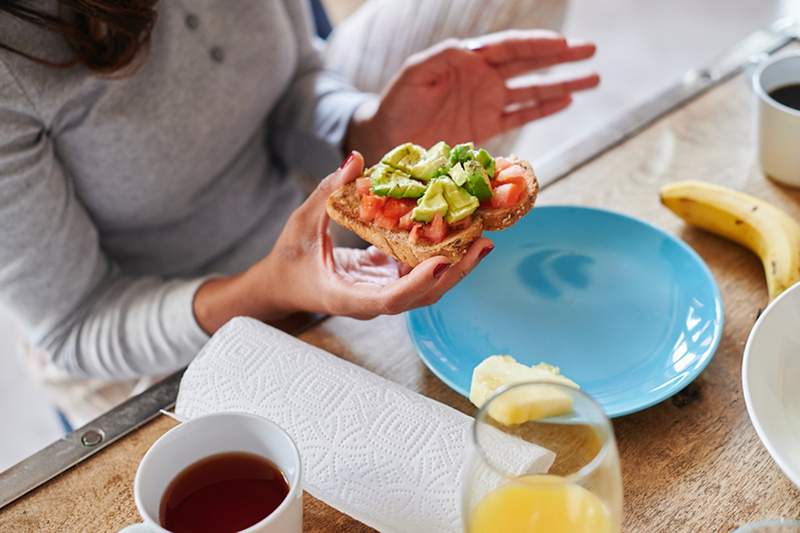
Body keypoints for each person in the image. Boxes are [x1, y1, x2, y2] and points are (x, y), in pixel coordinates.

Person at [0, 0, 597, 423]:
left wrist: (369, 126)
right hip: (144, 324)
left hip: (298, 197)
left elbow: (291, 77)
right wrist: (274, 287)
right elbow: (75, 324)